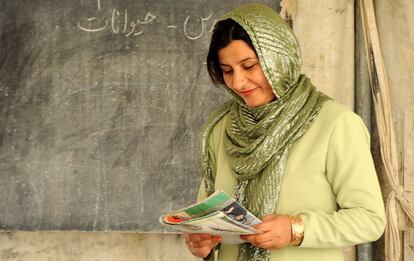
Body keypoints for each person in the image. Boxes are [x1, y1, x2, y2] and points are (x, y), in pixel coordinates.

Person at [184, 3, 386, 261]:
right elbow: (207, 216)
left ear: (278, 57)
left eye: (249, 66)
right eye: (227, 71)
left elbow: (369, 219)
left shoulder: (335, 123)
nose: (237, 82)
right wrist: (201, 241)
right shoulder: (221, 126)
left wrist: (296, 229)